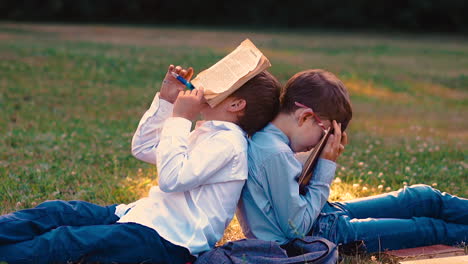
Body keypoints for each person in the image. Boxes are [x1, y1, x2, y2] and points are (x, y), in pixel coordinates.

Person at [0, 65, 281, 263]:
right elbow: (144, 148)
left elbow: (172, 178)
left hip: (166, 240)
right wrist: (167, 101)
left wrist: (181, 119)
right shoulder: (211, 132)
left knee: (66, 241)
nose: (203, 88)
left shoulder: (229, 144)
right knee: (57, 211)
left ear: (236, 105)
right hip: (141, 217)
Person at [236, 69, 468, 253]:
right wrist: (326, 165)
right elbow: (297, 228)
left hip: (324, 217)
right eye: (325, 134)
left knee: (422, 197)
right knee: (428, 228)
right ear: (305, 116)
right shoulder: (274, 153)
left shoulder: (271, 139)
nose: (320, 144)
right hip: (319, 236)